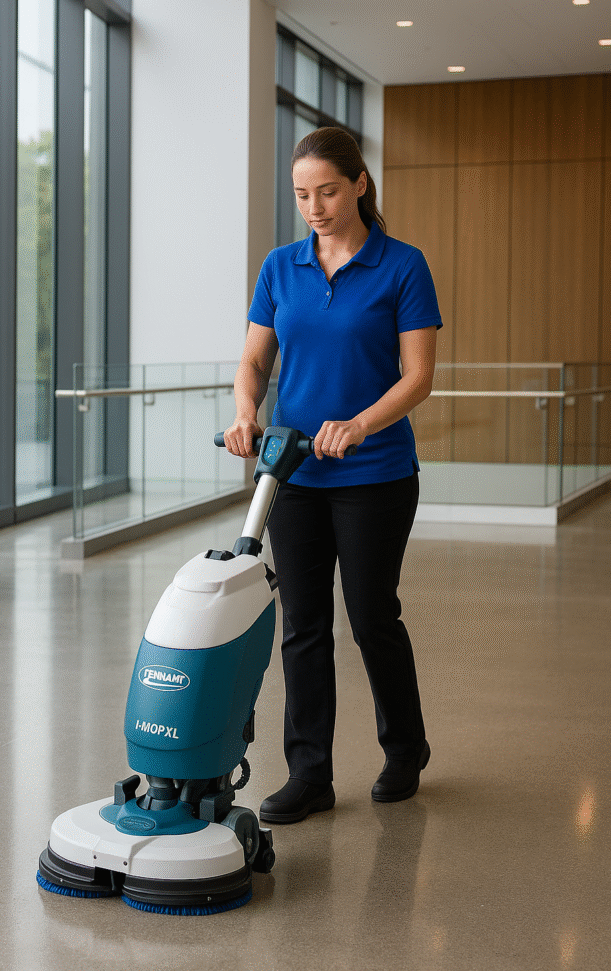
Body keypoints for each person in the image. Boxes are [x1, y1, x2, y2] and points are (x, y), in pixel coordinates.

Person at [224, 126, 442, 824]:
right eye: (301, 195)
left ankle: (404, 748)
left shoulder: (401, 265)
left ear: (359, 185)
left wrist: (359, 424)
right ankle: (309, 773)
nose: (313, 208)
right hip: (292, 473)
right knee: (304, 624)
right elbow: (253, 360)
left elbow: (418, 377)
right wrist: (245, 412)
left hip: (375, 473)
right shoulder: (280, 267)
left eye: (326, 192)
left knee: (372, 616)